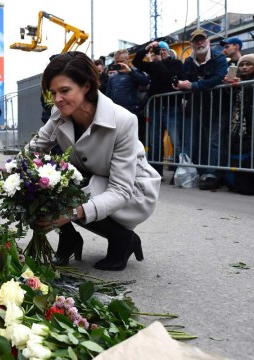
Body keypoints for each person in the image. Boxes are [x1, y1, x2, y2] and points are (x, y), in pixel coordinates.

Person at [29, 52, 161, 271]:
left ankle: (122, 238)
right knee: (42, 179)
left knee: (67, 185)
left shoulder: (123, 121)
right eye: (53, 92)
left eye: (64, 91)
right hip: (93, 180)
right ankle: (69, 238)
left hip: (132, 191)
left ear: (86, 87)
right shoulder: (59, 112)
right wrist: (16, 176)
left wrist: (69, 213)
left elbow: (120, 190)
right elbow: (34, 149)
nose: (57, 99)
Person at [176, 28, 228, 190]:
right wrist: (180, 85)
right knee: (203, 140)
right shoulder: (189, 61)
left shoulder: (219, 57)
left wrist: (193, 85)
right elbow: (185, 79)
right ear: (191, 44)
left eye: (202, 39)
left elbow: (218, 78)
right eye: (196, 40)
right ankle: (204, 172)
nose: (200, 42)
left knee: (215, 141)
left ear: (208, 41)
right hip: (200, 105)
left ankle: (213, 174)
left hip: (220, 105)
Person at [133, 40, 184, 177]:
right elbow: (136, 62)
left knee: (176, 141)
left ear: (168, 51)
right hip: (155, 108)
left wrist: (158, 61)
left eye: (164, 50)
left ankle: (178, 173)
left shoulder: (176, 64)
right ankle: (156, 173)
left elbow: (169, 78)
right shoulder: (153, 65)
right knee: (155, 142)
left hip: (172, 107)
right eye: (158, 50)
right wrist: (146, 48)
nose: (161, 52)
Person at [223, 54, 254, 194]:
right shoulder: (238, 81)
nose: (244, 67)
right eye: (241, 65)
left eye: (248, 64)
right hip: (240, 126)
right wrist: (229, 86)